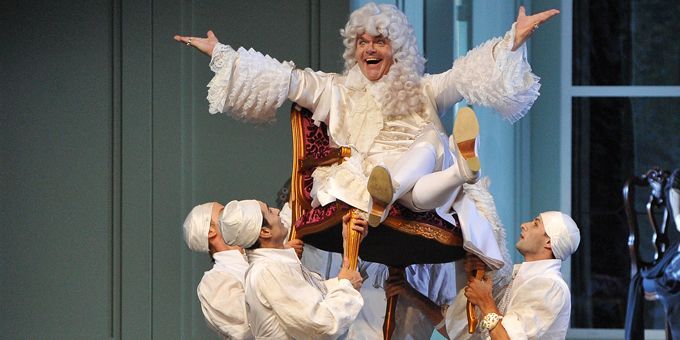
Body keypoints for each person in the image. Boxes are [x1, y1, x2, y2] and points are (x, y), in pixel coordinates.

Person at [173, 3, 559, 229]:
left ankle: (453, 173)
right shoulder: (334, 89)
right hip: (363, 174)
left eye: (379, 41)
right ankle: (452, 172)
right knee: (419, 177)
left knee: (427, 141)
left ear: (398, 49)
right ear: (354, 49)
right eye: (362, 42)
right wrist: (222, 53)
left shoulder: (424, 88)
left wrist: (511, 40)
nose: (369, 49)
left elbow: (466, 74)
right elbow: (284, 79)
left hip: (416, 177)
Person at [386, 211, 581, 339]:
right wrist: (409, 293)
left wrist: (485, 300)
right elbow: (454, 329)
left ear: (549, 243)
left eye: (536, 224)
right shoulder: (515, 279)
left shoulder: (550, 285)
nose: (524, 225)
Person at [218, 198, 367, 339]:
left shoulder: (273, 266)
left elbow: (316, 294)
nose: (277, 211)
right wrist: (346, 286)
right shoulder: (270, 270)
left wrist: (349, 244)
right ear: (265, 232)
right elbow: (320, 324)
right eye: (270, 211)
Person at [182, 201, 303, 339]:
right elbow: (248, 324)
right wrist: (280, 256)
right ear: (210, 232)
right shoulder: (213, 282)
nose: (230, 215)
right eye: (223, 212)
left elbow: (286, 218)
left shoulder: (258, 247)